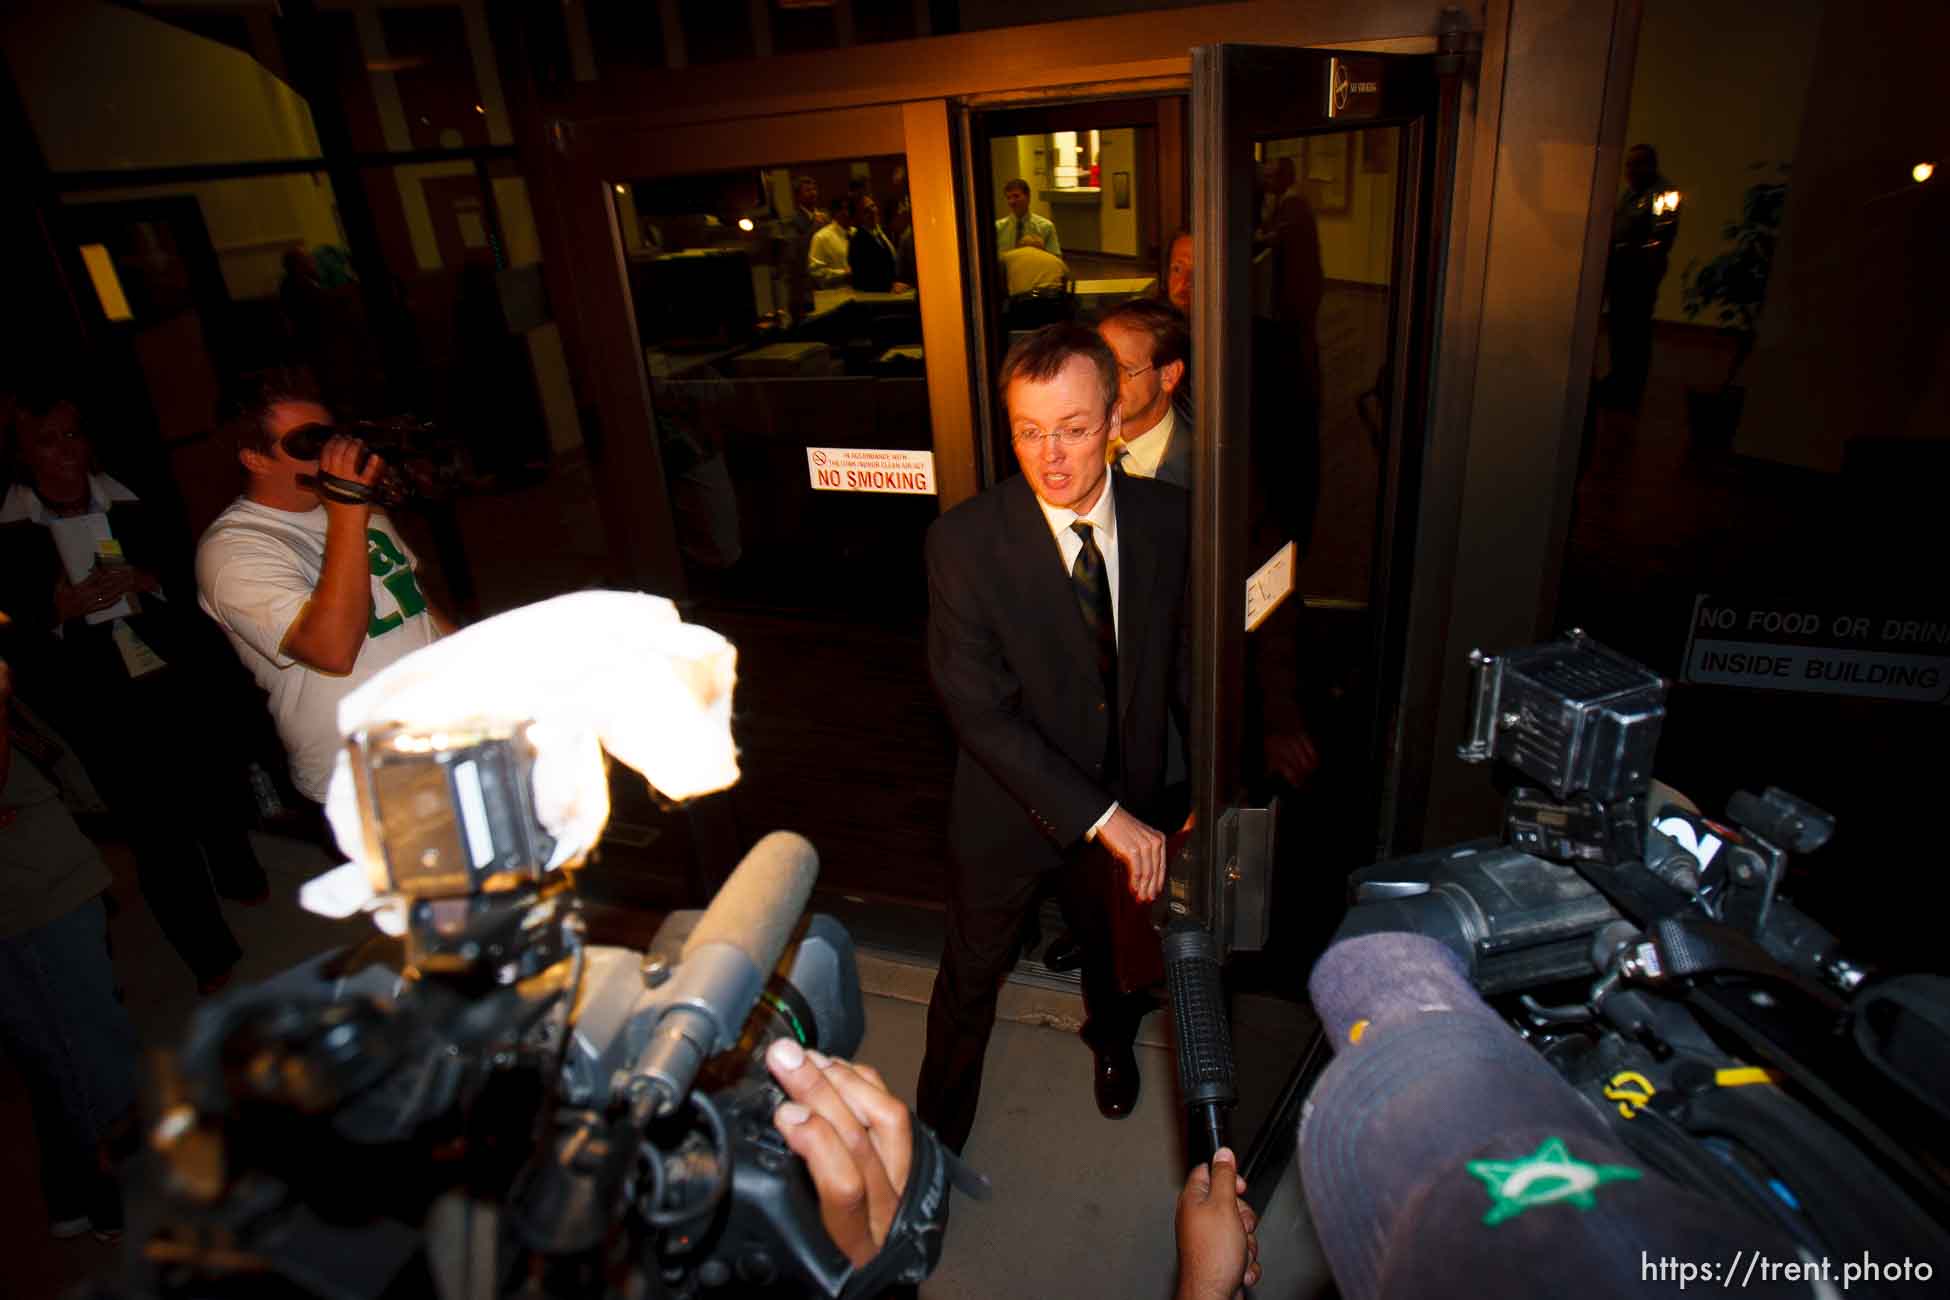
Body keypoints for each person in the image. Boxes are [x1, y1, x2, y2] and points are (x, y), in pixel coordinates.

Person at [916, 323, 1191, 1153]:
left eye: (1073, 428)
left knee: (1112, 955)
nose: (1052, 457)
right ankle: (935, 1141)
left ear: (1115, 418)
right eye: (1029, 432)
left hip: (1132, 796)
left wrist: (1196, 793)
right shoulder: (963, 543)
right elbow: (981, 713)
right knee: (969, 977)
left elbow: (1191, 670)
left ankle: (1110, 1047)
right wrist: (1104, 816)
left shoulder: (1172, 520)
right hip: (1008, 812)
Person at [0, 388, 265, 993]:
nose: (64, 452)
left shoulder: (134, 497)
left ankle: (238, 870)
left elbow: (197, 573)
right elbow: (13, 642)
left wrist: (149, 581)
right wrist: (54, 610)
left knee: (212, 777)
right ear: (22, 454)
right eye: (47, 440)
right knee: (152, 824)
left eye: (72, 435)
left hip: (174, 669)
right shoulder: (9, 533)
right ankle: (207, 951)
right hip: (94, 695)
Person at [197, 372, 452, 808]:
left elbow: (416, 608)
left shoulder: (349, 505)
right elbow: (330, 650)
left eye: (332, 436)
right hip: (364, 774)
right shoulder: (232, 550)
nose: (333, 453)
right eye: (309, 442)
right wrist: (349, 509)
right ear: (256, 459)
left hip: (441, 737)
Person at [0, 657, 142, 1242]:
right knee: (89, 1049)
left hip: (33, 869)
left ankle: (73, 1194)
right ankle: (124, 1199)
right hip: (27, 889)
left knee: (51, 1052)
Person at [1601, 144, 1680, 412]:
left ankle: (1631, 388)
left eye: (1637, 164)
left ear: (1651, 165)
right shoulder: (1630, 194)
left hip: (1641, 272)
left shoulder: (1664, 193)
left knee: (1635, 329)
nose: (1631, 170)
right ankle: (1618, 378)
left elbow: (1661, 237)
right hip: (1620, 270)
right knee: (1619, 326)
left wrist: (1631, 252)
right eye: (1629, 164)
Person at [1098, 298, 1192, 489]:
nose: (1102, 383)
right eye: (1098, 367)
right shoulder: (1073, 442)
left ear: (1168, 375)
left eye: (1121, 369)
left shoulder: (1201, 474)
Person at [848, 195, 908, 294]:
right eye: (867, 210)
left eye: (873, 206)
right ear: (859, 216)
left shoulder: (880, 233)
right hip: (874, 299)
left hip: (891, 292)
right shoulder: (857, 241)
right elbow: (861, 277)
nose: (872, 211)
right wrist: (888, 286)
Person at [995, 178, 1062, 258]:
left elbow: (1056, 258)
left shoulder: (1046, 227)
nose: (1012, 202)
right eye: (1008, 198)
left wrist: (1041, 250)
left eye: (1016, 196)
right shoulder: (998, 227)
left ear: (1028, 197)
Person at [1000, 233, 1069, 298]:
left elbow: (1000, 283)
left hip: (1022, 301)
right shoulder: (1056, 260)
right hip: (1052, 300)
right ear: (1042, 247)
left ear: (1019, 245)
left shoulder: (1007, 256)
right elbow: (1066, 281)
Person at [809, 195, 854, 289]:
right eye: (845, 209)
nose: (849, 213)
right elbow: (816, 272)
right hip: (836, 296)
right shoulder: (821, 237)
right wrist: (844, 274)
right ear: (835, 213)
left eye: (851, 209)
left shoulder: (857, 233)